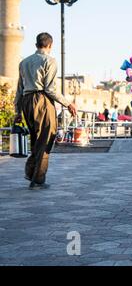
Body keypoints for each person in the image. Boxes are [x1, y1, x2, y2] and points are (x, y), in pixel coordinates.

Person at [13, 32, 77, 190]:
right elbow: (50, 89)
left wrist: (18, 111)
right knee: (47, 138)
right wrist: (68, 103)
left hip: (27, 101)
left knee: (36, 138)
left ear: (36, 45)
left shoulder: (24, 62)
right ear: (50, 45)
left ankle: (32, 172)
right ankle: (37, 178)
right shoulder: (50, 61)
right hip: (42, 101)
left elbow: (19, 89)